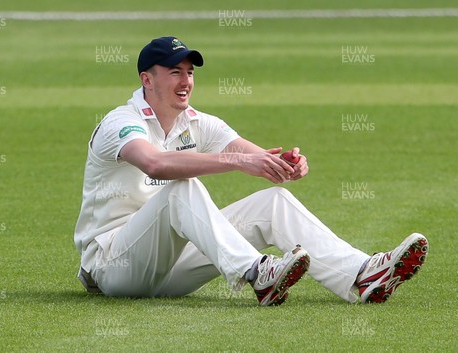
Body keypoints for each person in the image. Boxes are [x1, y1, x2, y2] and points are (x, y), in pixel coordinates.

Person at [74, 36, 429, 306]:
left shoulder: (198, 123)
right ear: (146, 80)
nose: (185, 82)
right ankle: (259, 273)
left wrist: (286, 164)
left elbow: (253, 155)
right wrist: (238, 162)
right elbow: (156, 164)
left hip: (170, 269)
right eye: (174, 72)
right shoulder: (120, 122)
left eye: (189, 72)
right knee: (180, 189)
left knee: (273, 201)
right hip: (113, 267)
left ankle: (364, 275)